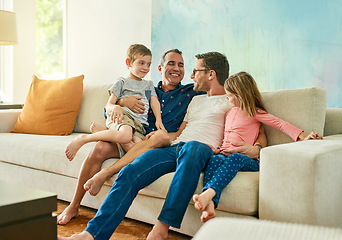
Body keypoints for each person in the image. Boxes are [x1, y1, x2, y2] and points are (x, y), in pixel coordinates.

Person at [57, 52, 267, 240]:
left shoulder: (231, 100)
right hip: (176, 146)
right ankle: (91, 234)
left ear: (211, 74)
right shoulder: (196, 100)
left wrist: (256, 148)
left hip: (201, 150)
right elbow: (180, 132)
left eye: (195, 71)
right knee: (131, 171)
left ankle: (162, 226)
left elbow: (259, 125)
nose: (191, 75)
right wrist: (160, 137)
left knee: (193, 146)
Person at [57, 48, 207, 225]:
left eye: (181, 65)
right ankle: (74, 206)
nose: (176, 68)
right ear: (160, 68)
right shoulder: (146, 88)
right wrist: (121, 102)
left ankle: (106, 166)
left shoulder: (191, 92)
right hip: (134, 135)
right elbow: (112, 111)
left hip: (158, 143)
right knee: (99, 148)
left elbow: (217, 92)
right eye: (171, 63)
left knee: (158, 136)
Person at [192, 71, 323, 223]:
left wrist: (303, 136)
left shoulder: (254, 112)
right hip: (224, 153)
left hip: (249, 160)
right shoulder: (229, 113)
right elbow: (226, 138)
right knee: (214, 160)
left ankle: (208, 194)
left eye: (229, 95)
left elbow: (280, 124)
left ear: (240, 95)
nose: (227, 98)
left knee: (234, 158)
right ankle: (210, 205)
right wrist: (217, 149)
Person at [64, 44, 165, 161]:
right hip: (123, 116)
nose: (146, 68)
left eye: (148, 64)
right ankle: (84, 138)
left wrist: (158, 119)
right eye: (141, 63)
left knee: (140, 151)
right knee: (125, 136)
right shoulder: (122, 82)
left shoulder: (148, 84)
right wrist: (116, 106)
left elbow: (154, 101)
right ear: (129, 62)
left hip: (139, 125)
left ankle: (106, 133)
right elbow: (109, 105)